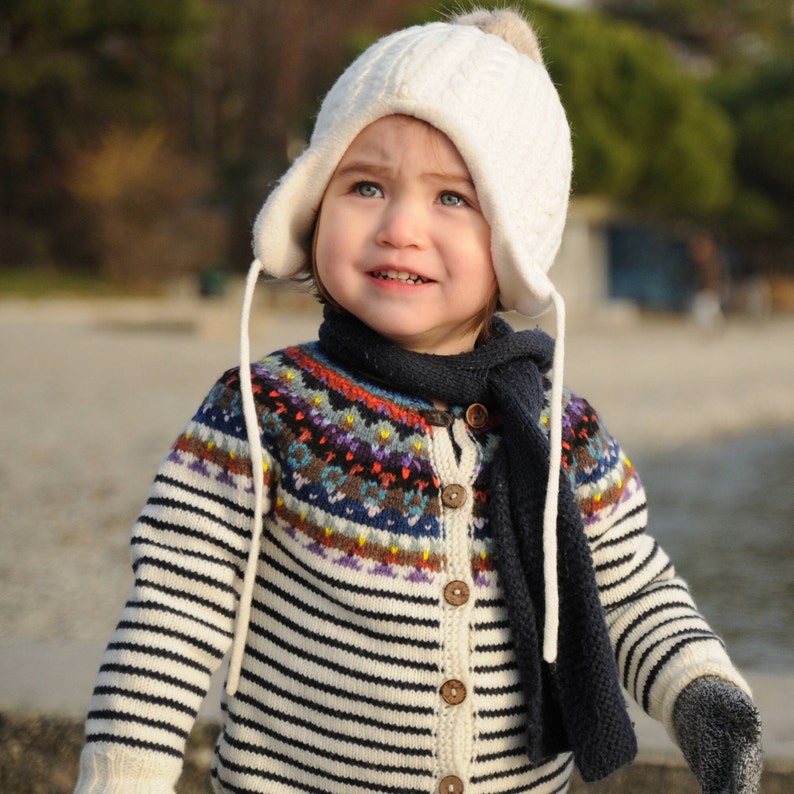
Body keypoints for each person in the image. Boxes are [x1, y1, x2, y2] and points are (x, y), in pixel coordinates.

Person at [74, 9, 763, 794]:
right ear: (313, 202)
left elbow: (634, 591)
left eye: (452, 199)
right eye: (366, 185)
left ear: (515, 240)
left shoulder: (562, 432)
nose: (400, 227)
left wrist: (706, 698)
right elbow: (173, 613)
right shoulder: (267, 409)